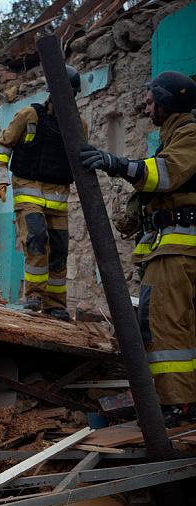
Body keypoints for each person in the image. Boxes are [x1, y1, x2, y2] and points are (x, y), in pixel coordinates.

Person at [81, 70, 196, 427]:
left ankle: (178, 404)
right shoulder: (173, 135)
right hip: (168, 249)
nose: (147, 110)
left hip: (177, 250)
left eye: (151, 102)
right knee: (176, 325)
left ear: (166, 102)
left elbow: (166, 174)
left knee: (162, 326)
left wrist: (115, 164)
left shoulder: (190, 133)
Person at [0, 65, 87, 321]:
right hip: (28, 189)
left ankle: (55, 304)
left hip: (58, 197)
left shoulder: (78, 126)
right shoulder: (29, 115)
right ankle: (34, 295)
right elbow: (3, 145)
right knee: (35, 237)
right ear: (51, 93)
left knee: (59, 249)